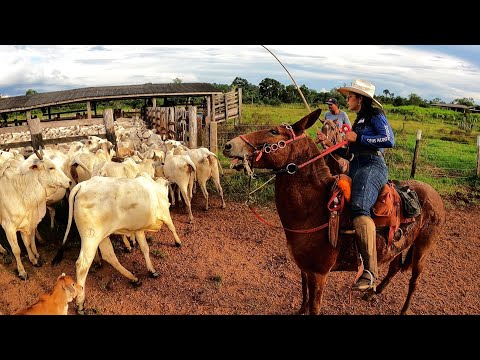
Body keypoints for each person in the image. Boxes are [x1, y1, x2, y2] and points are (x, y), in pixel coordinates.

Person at [336, 79, 395, 292]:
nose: (347, 100)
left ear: (360, 99)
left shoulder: (376, 116)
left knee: (360, 207)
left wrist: (358, 136)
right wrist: (331, 145)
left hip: (372, 165)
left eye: (350, 97)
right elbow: (351, 152)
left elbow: (388, 140)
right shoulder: (358, 120)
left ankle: (370, 272)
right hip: (356, 165)